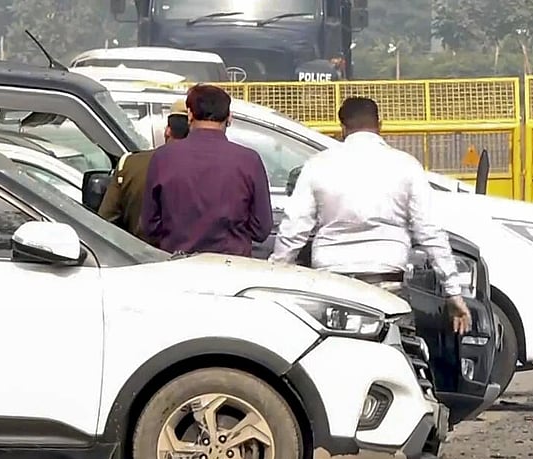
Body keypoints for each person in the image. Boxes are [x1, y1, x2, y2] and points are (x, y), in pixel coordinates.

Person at [271, 96, 471, 335]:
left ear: (342, 128)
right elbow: (429, 231)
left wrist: (276, 273)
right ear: (380, 125)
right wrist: (453, 292)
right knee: (394, 347)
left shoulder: (318, 165)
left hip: (332, 282)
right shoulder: (405, 165)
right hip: (388, 281)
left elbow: (294, 228)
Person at [140, 84, 273, 256]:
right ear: (229, 117)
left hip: (178, 261)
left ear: (189, 115)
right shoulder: (249, 160)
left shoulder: (163, 158)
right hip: (232, 263)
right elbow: (261, 229)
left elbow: (149, 226)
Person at [98, 99, 190, 242]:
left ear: (168, 131)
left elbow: (106, 224)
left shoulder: (130, 165)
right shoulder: (214, 169)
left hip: (136, 253)